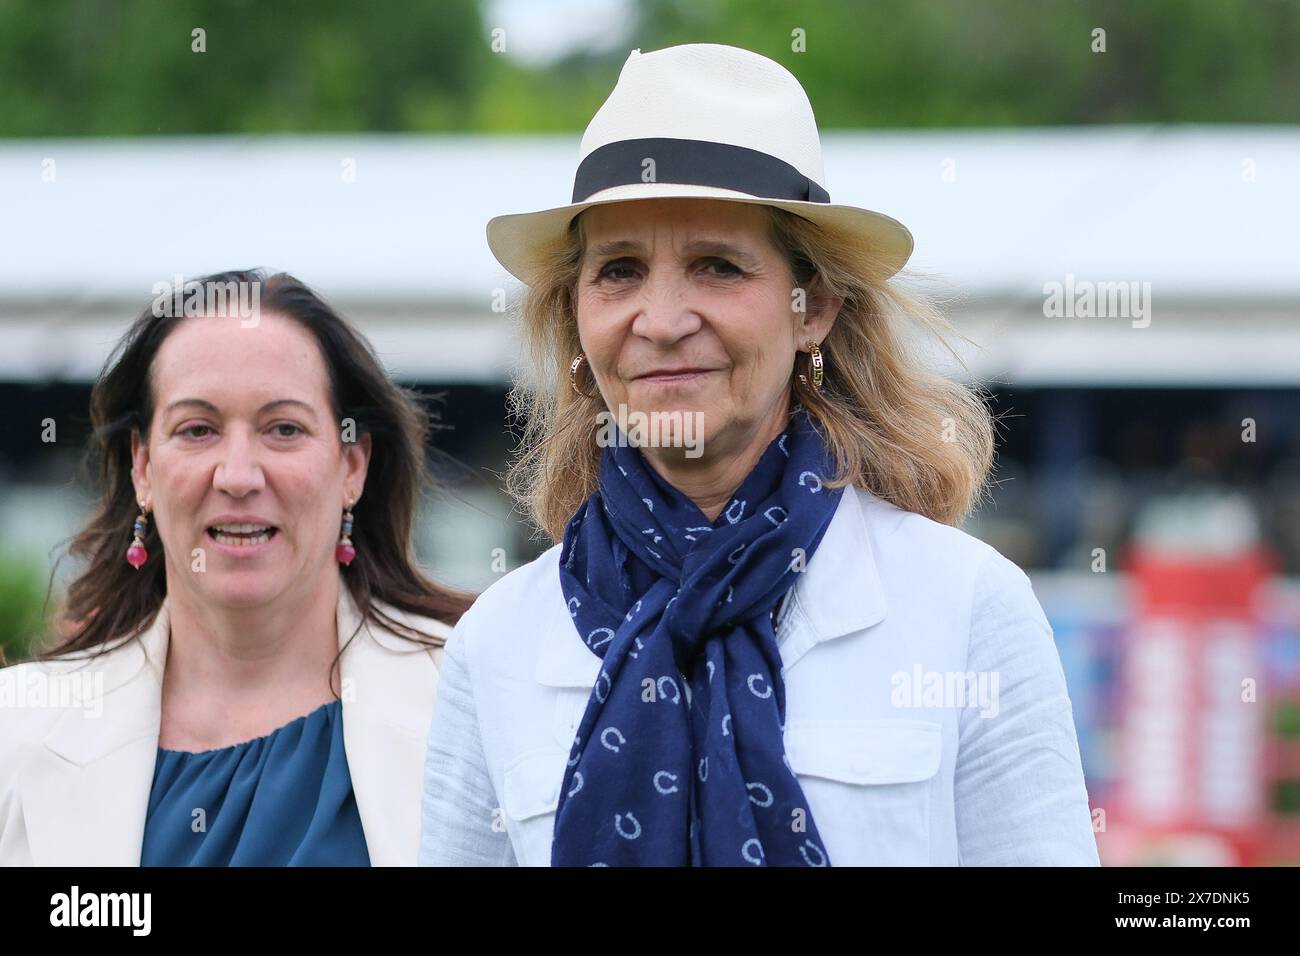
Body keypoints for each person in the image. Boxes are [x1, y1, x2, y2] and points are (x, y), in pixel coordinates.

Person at [420, 43, 1099, 866]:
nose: (661, 319)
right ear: (577, 321)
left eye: (717, 267)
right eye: (620, 270)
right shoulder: (498, 643)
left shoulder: (967, 609)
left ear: (813, 311)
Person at [0, 270, 472, 865]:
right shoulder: (18, 732)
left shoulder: (471, 696)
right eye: (197, 430)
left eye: (283, 429)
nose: (239, 476)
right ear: (142, 466)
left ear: (352, 464)